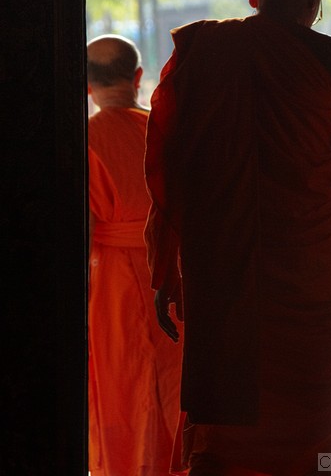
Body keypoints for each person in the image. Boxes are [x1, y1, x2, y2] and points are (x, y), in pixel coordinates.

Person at [143, 0, 331, 475]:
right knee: (317, 414)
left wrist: (170, 266)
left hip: (222, 267)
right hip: (314, 269)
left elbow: (173, 165)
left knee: (226, 418)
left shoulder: (206, 49)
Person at [87, 34, 183, 476]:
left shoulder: (82, 140)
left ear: (86, 86)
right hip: (171, 274)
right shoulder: (165, 133)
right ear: (138, 77)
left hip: (111, 285)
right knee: (174, 381)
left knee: (120, 384)